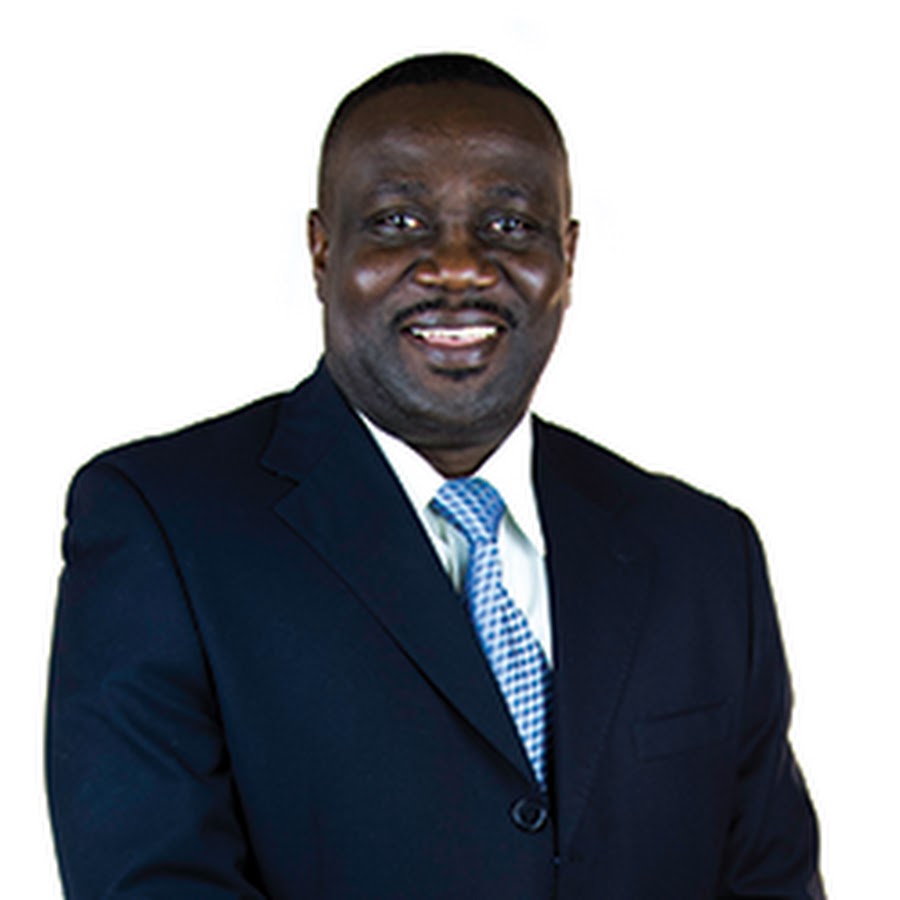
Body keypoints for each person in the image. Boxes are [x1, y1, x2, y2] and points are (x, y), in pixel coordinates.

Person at [46, 53, 824, 899]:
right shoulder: (164, 527)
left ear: (567, 258)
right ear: (321, 250)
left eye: (509, 225)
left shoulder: (704, 556)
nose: (459, 267)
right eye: (398, 222)